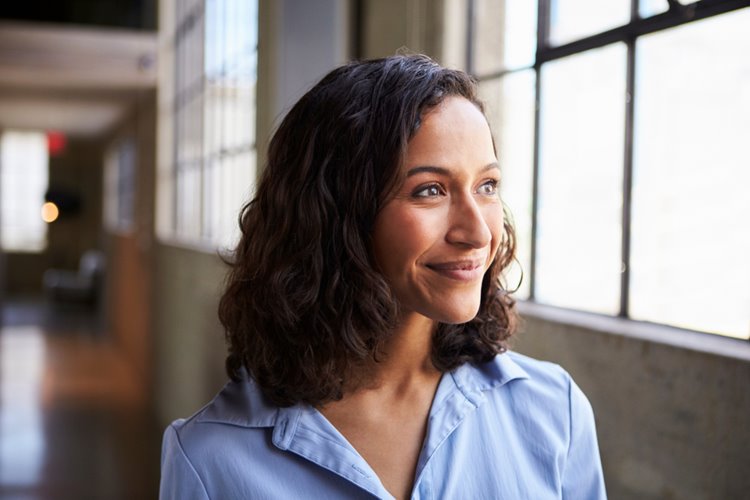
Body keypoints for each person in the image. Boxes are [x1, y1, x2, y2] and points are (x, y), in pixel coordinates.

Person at [159, 54, 607, 500]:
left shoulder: (555, 413)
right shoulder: (209, 459)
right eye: (430, 190)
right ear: (337, 213)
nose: (477, 232)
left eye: (486, 186)